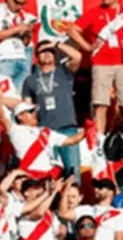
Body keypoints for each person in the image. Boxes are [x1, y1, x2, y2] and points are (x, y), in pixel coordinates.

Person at [70, 0, 123, 134]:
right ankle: (99, 139)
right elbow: (72, 30)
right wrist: (87, 47)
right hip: (101, 63)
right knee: (100, 104)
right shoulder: (94, 12)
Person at [21, 41, 83, 180]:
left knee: (73, 171)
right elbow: (27, 107)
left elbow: (77, 57)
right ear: (36, 57)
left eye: (50, 51)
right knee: (52, 173)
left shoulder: (64, 71)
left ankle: (74, 194)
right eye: (43, 51)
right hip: (46, 131)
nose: (47, 53)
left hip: (68, 128)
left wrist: (58, 45)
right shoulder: (30, 80)